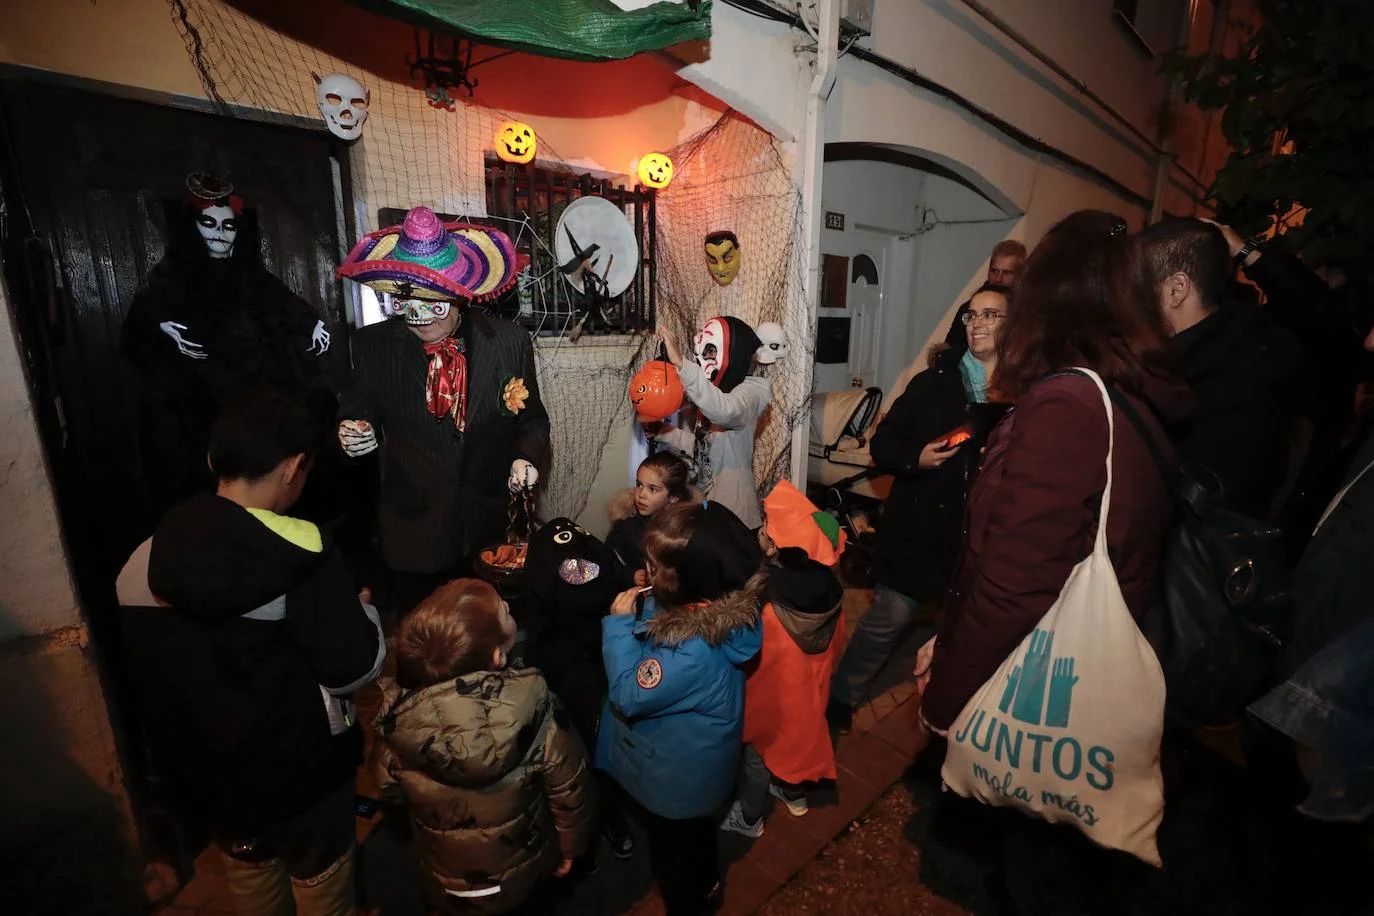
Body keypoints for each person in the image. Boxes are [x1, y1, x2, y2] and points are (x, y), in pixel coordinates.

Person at [918, 211, 1189, 914]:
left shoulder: (1068, 403)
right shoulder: (1122, 394)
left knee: (1038, 880)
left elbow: (1015, 583)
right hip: (1083, 649)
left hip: (1048, 679)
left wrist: (949, 698)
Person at [116, 386, 384, 915]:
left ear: (214, 460)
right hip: (300, 779)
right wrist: (364, 613)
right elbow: (353, 668)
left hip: (211, 777)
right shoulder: (301, 555)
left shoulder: (140, 563)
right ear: (292, 468)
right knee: (322, 884)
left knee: (251, 877)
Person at [335, 206, 550, 616]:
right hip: (414, 533)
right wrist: (352, 430)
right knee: (426, 648)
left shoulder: (508, 341)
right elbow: (357, 409)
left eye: (431, 302)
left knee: (486, 639)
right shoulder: (373, 346)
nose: (417, 317)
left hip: (487, 527)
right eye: (406, 302)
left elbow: (533, 420)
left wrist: (526, 456)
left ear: (457, 292)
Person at [826, 284, 1012, 733]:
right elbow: (885, 443)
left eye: (991, 315)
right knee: (888, 619)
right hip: (921, 531)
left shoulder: (1025, 391)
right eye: (971, 315)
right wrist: (917, 457)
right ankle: (840, 698)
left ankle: (955, 710)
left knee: (966, 631)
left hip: (981, 539)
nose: (978, 324)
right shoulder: (934, 382)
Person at [121, 173, 334, 530]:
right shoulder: (171, 282)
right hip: (199, 413)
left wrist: (312, 324)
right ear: (193, 227)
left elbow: (286, 305)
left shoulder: (251, 278)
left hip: (255, 407)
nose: (220, 232)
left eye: (228, 225)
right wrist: (161, 328)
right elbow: (140, 332)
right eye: (209, 223)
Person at [373, 578, 594, 913]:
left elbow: (387, 786)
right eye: (505, 611)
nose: (509, 607)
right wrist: (571, 847)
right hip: (524, 865)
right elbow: (569, 787)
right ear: (496, 657)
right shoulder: (537, 707)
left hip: (446, 872)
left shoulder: (398, 724)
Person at [598, 501, 764, 914]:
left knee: (678, 860)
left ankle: (694, 901)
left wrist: (619, 625)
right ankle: (705, 881)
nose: (647, 570)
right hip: (697, 772)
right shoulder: (714, 605)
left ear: (684, 582)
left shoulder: (690, 652)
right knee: (694, 840)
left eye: (655, 567)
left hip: (677, 783)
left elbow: (628, 693)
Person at [1138, 218, 1311, 518]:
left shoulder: (1232, 390)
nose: (1128, 299)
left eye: (1137, 286)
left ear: (1177, 289)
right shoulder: (1225, 348)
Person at [722, 480, 847, 839]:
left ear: (774, 548)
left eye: (764, 530)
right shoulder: (829, 586)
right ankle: (793, 795)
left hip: (775, 704)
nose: (759, 533)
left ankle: (749, 818)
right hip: (810, 695)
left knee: (760, 756)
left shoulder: (770, 605)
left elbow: (753, 659)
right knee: (796, 745)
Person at [521, 518, 635, 861]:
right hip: (571, 689)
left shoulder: (589, 630)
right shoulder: (565, 630)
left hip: (587, 691)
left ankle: (602, 825)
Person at [654, 317, 771, 529]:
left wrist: (682, 364)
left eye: (709, 351)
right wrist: (662, 431)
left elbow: (725, 411)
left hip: (735, 519)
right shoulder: (716, 395)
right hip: (707, 510)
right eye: (699, 351)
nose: (700, 359)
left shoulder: (752, 393)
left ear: (734, 352)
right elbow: (704, 447)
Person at [606, 451, 693, 585]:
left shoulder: (686, 529)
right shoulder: (625, 526)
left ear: (674, 497)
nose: (641, 494)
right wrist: (631, 575)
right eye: (639, 485)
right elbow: (607, 563)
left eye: (652, 489)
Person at [942, 239, 1027, 354]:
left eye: (1006, 273)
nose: (998, 279)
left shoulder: (1029, 312)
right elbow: (950, 351)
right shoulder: (968, 309)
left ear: (1020, 274)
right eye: (994, 271)